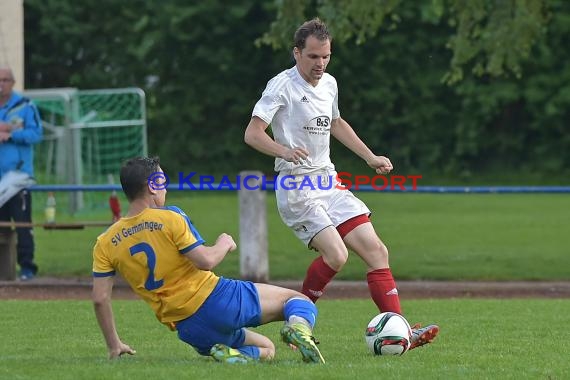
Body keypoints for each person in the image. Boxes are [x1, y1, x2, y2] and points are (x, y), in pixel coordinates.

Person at [244, 18, 438, 349]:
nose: (320, 64)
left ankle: (402, 329)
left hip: (328, 182)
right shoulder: (281, 86)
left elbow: (335, 123)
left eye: (326, 56)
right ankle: (298, 323)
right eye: (313, 57)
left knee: (377, 250)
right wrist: (285, 151)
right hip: (297, 187)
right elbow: (252, 133)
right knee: (336, 255)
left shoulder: (330, 84)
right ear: (297, 53)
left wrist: (370, 157)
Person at [91, 156, 325, 364]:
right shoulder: (170, 217)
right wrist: (224, 243)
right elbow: (205, 261)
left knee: (267, 348)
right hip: (216, 299)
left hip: (189, 329)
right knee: (298, 300)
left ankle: (238, 357)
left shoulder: (105, 241)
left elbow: (100, 299)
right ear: (152, 187)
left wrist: (114, 345)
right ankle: (298, 328)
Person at [0, 66, 43, 281]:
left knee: (22, 224)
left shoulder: (25, 105)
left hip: (18, 178)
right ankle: (4, 270)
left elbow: (36, 134)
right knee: (1, 227)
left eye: (5, 79)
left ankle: (27, 268)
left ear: (13, 82)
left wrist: (10, 133)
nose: (1, 84)